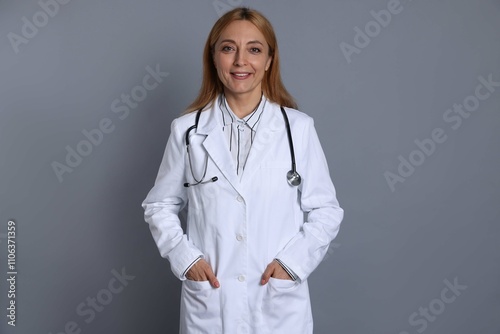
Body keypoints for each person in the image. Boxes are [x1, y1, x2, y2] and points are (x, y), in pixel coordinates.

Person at [141, 7, 344, 334]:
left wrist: (292, 266)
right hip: (212, 302)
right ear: (213, 57)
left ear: (269, 60)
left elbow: (326, 210)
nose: (240, 61)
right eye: (228, 48)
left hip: (275, 302)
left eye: (254, 49)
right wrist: (185, 258)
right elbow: (159, 205)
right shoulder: (187, 131)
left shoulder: (298, 129)